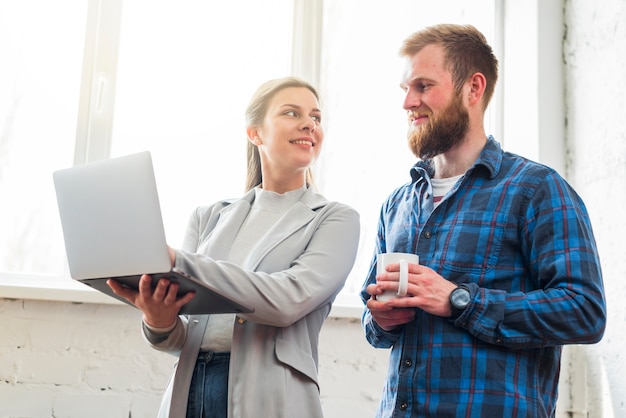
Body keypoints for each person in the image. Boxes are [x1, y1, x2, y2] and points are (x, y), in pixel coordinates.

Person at [361, 24, 606, 417]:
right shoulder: (398, 203)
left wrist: (459, 300)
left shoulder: (536, 189)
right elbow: (373, 326)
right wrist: (382, 319)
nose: (408, 101)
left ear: (472, 89)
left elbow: (585, 311)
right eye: (405, 89)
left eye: (423, 86)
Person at [107, 76, 360, 418]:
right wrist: (160, 320)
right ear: (255, 133)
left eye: (315, 117)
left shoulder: (335, 219)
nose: (309, 124)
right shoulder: (208, 216)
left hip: (271, 398)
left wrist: (181, 263)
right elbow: (183, 339)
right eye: (291, 112)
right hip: (192, 387)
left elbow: (287, 300)